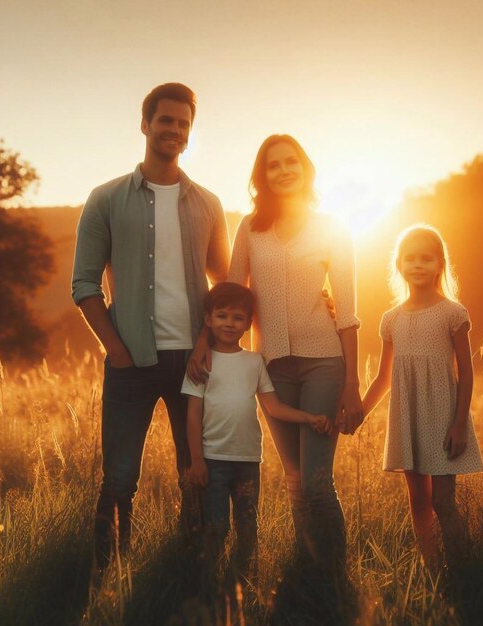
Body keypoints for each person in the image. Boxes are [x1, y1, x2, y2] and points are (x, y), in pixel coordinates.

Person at [71, 82, 230, 568]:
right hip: (130, 361)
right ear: (145, 125)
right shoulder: (106, 198)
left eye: (184, 124)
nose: (175, 130)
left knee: (195, 474)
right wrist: (116, 348)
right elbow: (83, 284)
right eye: (166, 120)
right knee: (119, 478)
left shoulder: (208, 203)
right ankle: (107, 576)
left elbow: (224, 285)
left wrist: (207, 341)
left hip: (195, 364)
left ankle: (190, 570)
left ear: (189, 134)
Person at [190, 134, 363, 569]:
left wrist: (352, 384)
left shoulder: (333, 228)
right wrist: (206, 345)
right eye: (273, 165)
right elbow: (230, 292)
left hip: (324, 362)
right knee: (294, 478)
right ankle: (307, 567)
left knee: (318, 481)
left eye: (292, 162)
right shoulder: (251, 227)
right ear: (261, 175)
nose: (284, 170)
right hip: (271, 367)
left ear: (305, 169)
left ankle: (333, 573)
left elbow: (347, 311)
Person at [182, 282, 332, 587]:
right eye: (221, 316)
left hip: (248, 461)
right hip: (213, 460)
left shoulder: (254, 362)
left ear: (248, 323)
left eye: (237, 317)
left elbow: (274, 407)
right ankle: (210, 581)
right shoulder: (202, 363)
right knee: (216, 525)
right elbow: (193, 414)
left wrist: (308, 417)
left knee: (248, 522)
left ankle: (243, 580)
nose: (229, 323)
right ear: (208, 319)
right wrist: (196, 461)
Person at [360, 224, 483, 568]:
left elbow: (466, 372)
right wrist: (360, 413)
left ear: (440, 264)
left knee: (444, 501)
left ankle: (462, 566)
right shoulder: (391, 319)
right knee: (419, 501)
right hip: (409, 417)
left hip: (444, 418)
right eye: (410, 259)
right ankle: (431, 565)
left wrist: (459, 423)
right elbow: (384, 377)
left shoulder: (452, 313)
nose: (417, 265)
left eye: (426, 259)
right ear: (398, 265)